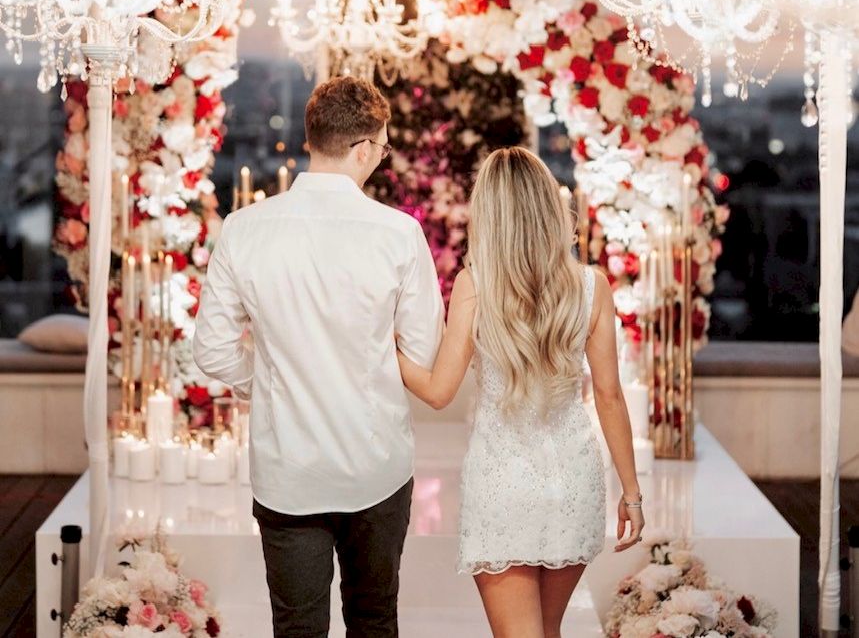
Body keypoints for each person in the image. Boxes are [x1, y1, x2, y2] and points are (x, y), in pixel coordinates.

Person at [193, 76, 445, 638]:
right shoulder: (399, 233)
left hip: (288, 469)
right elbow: (424, 348)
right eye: (381, 148)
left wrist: (271, 375)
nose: (381, 158)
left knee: (296, 627)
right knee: (375, 619)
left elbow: (211, 350)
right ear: (361, 149)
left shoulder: (244, 228)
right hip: (375, 464)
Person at [396, 146, 645, 638]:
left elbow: (439, 390)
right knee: (547, 632)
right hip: (572, 483)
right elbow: (610, 397)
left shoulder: (476, 285)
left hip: (504, 487)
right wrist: (632, 495)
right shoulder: (592, 286)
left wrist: (387, 348)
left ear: (491, 213)